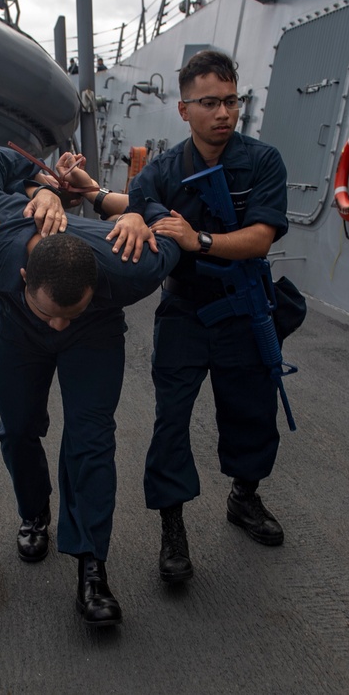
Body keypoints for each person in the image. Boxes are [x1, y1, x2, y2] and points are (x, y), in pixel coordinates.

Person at [59, 50, 289, 583]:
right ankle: (173, 525)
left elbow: (261, 237)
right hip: (186, 308)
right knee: (172, 421)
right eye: (209, 102)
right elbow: (135, 206)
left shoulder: (262, 163)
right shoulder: (163, 170)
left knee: (251, 410)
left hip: (244, 305)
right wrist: (91, 192)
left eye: (231, 101)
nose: (223, 113)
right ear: (184, 109)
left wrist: (199, 239)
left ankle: (244, 497)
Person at [0, 145, 182, 626]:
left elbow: (175, 224)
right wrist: (41, 188)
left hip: (94, 333)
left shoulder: (132, 265)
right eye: (51, 313)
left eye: (66, 312)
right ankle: (34, 513)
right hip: (18, 327)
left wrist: (140, 214)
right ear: (20, 275)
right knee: (17, 428)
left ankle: (91, 566)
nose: (57, 324)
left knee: (91, 442)